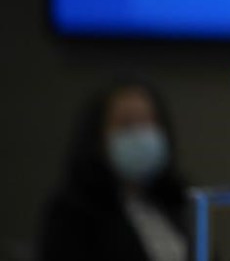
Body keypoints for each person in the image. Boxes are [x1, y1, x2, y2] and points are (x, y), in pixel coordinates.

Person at [36, 77, 191, 261]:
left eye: (149, 122)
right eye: (127, 124)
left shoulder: (177, 200)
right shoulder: (72, 213)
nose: (141, 134)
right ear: (98, 137)